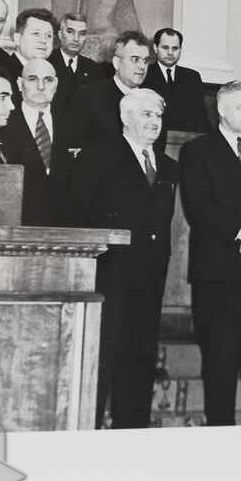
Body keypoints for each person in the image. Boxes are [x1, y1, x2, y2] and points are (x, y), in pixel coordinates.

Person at [71, 88, 177, 428]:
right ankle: (89, 432)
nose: (154, 122)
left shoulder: (167, 166)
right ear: (125, 117)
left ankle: (132, 433)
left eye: (158, 116)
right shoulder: (99, 156)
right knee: (102, 357)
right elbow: (81, 214)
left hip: (150, 277)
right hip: (109, 275)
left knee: (141, 357)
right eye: (146, 114)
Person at [179, 81, 241, 426]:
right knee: (220, 365)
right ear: (222, 110)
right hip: (217, 274)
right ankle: (220, 445)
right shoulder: (197, 151)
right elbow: (199, 206)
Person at [0, 57, 80, 226]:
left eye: (47, 80)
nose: (41, 87)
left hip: (64, 227)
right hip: (16, 224)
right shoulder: (1, 125)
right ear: (20, 84)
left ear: (56, 85)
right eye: (33, 79)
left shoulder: (75, 124)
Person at [73, 30, 151, 148]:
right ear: (116, 63)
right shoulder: (90, 98)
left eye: (145, 61)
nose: (142, 66)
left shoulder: (151, 100)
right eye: (135, 59)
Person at [142, 28, 210, 134]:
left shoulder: (192, 77)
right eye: (165, 48)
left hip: (186, 141)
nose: (170, 53)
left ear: (180, 49)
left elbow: (201, 118)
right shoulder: (144, 74)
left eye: (175, 48)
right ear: (155, 48)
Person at [48, 12, 109, 109]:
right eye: (70, 32)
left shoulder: (94, 69)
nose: (76, 39)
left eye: (82, 34)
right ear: (60, 34)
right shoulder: (47, 63)